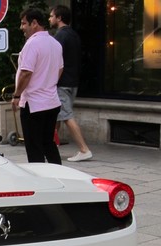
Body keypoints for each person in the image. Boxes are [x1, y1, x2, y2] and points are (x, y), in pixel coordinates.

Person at [11, 9, 63, 164]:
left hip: (33, 104)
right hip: (52, 102)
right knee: (48, 143)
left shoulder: (32, 44)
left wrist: (16, 95)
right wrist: (48, 83)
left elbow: (26, 73)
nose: (22, 28)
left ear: (34, 23)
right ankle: (60, 175)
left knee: (34, 147)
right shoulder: (55, 43)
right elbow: (60, 69)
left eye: (24, 23)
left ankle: (39, 180)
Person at [49, 5, 93, 162]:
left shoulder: (60, 36)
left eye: (51, 16)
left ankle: (84, 149)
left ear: (59, 18)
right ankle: (52, 147)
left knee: (66, 115)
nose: (49, 19)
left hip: (62, 82)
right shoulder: (74, 35)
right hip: (73, 81)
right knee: (58, 115)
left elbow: (53, 58)